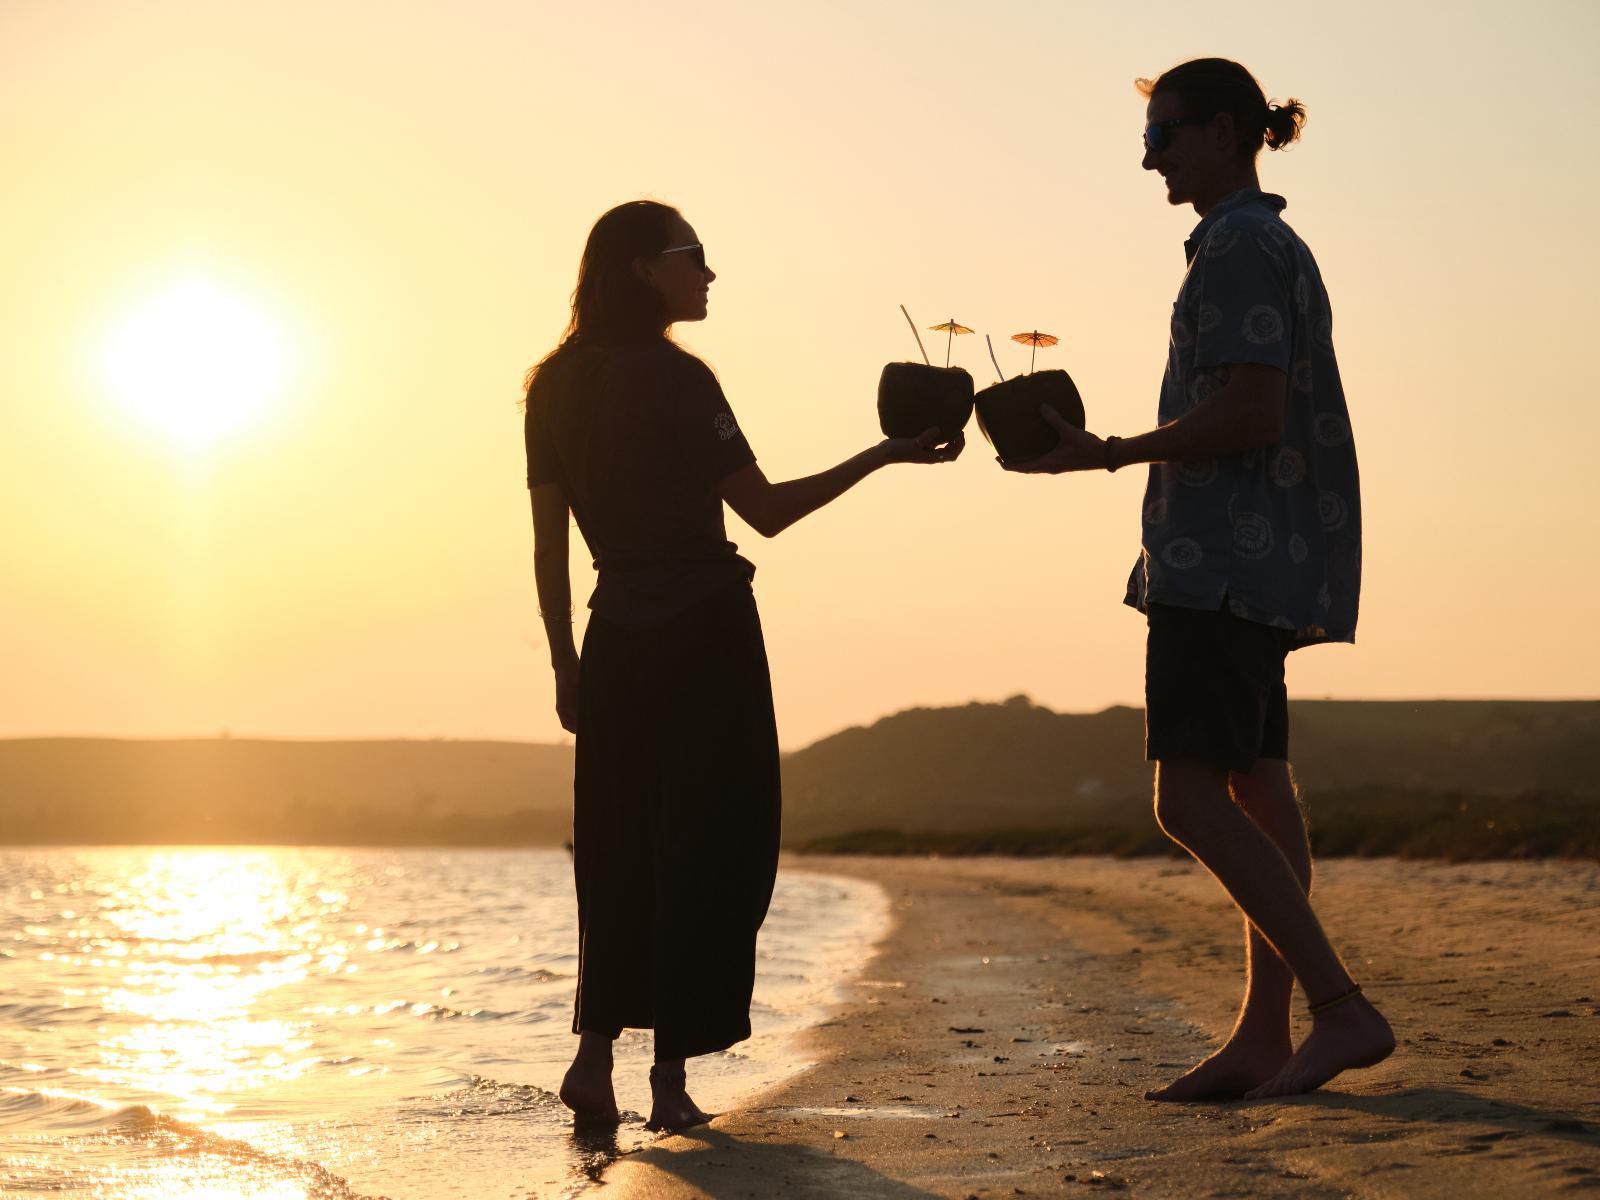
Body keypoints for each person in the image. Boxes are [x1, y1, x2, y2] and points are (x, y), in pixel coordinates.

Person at [523, 200, 963, 1131]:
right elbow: (764, 511)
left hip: (614, 636)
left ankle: (593, 1059)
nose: (709, 275)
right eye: (694, 258)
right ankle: (670, 1085)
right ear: (643, 268)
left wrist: (564, 662)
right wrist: (884, 453)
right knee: (709, 847)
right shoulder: (681, 380)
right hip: (706, 633)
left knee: (614, 847)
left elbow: (548, 546)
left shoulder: (551, 385)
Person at [1005, 58, 1394, 1100]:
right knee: (1259, 790)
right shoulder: (1268, 240)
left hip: (1219, 562)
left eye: (1163, 134)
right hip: (1256, 559)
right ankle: (1264, 1036)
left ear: (1224, 130)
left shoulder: (1234, 247)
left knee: (1186, 801)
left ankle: (1339, 1010)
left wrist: (1106, 451)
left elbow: (1251, 414)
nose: (1149, 158)